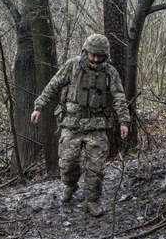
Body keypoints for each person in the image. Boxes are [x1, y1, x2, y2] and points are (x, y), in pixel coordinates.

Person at [30, 34, 129, 217]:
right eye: (93, 55)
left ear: (105, 56)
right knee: (67, 163)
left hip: (97, 125)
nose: (96, 59)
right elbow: (53, 85)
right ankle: (70, 184)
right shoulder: (72, 66)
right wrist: (39, 107)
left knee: (97, 167)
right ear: (85, 51)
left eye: (100, 56)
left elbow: (119, 97)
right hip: (71, 123)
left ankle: (92, 200)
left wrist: (124, 121)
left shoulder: (110, 73)